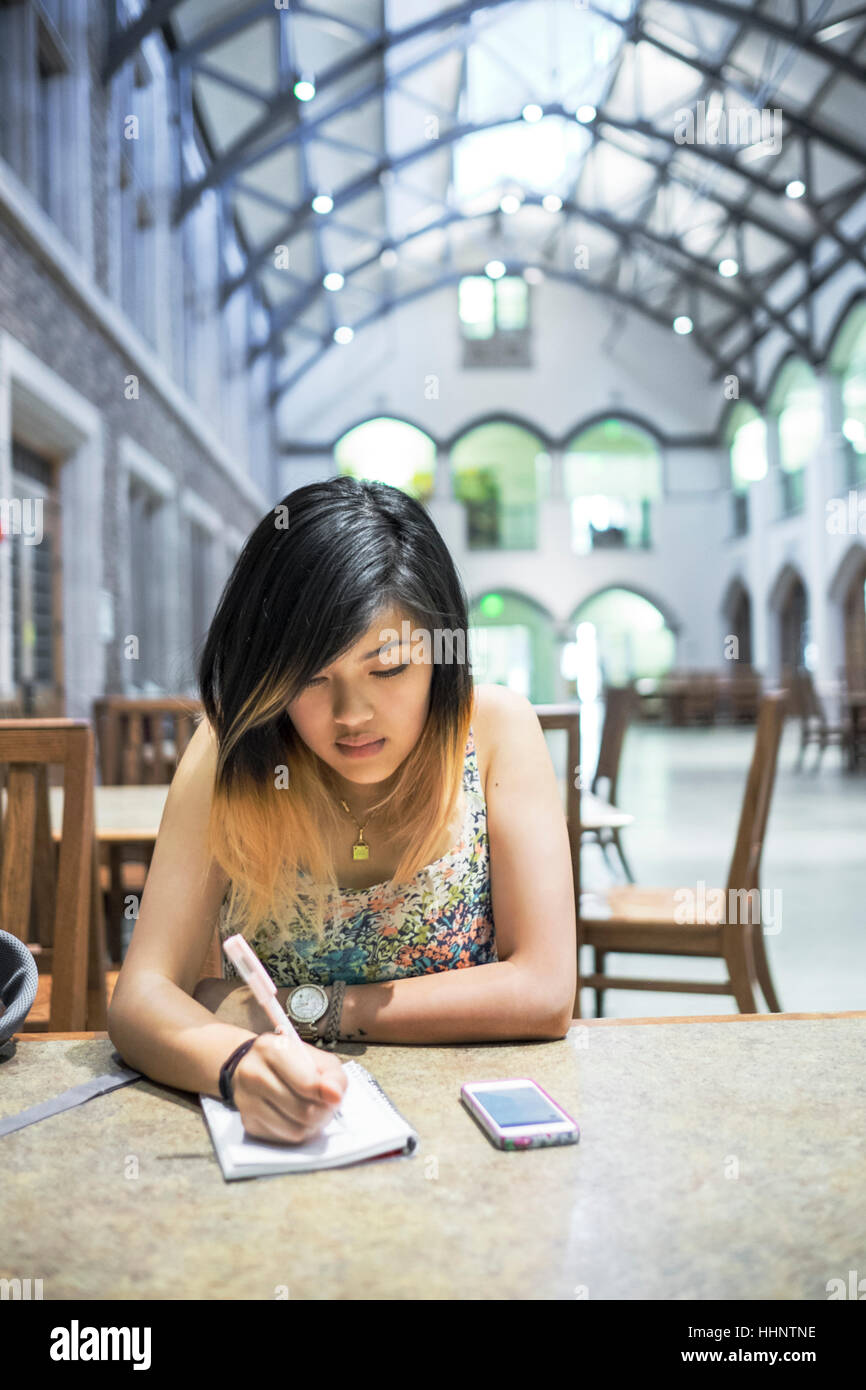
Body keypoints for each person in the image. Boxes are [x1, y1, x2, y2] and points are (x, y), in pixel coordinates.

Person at [108, 477, 576, 1145]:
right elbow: (139, 1000)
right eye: (310, 677)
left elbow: (545, 991)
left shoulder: (496, 730)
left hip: (467, 1126)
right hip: (295, 1135)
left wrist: (312, 1010)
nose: (351, 716)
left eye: (388, 671)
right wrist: (238, 1064)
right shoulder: (231, 752)